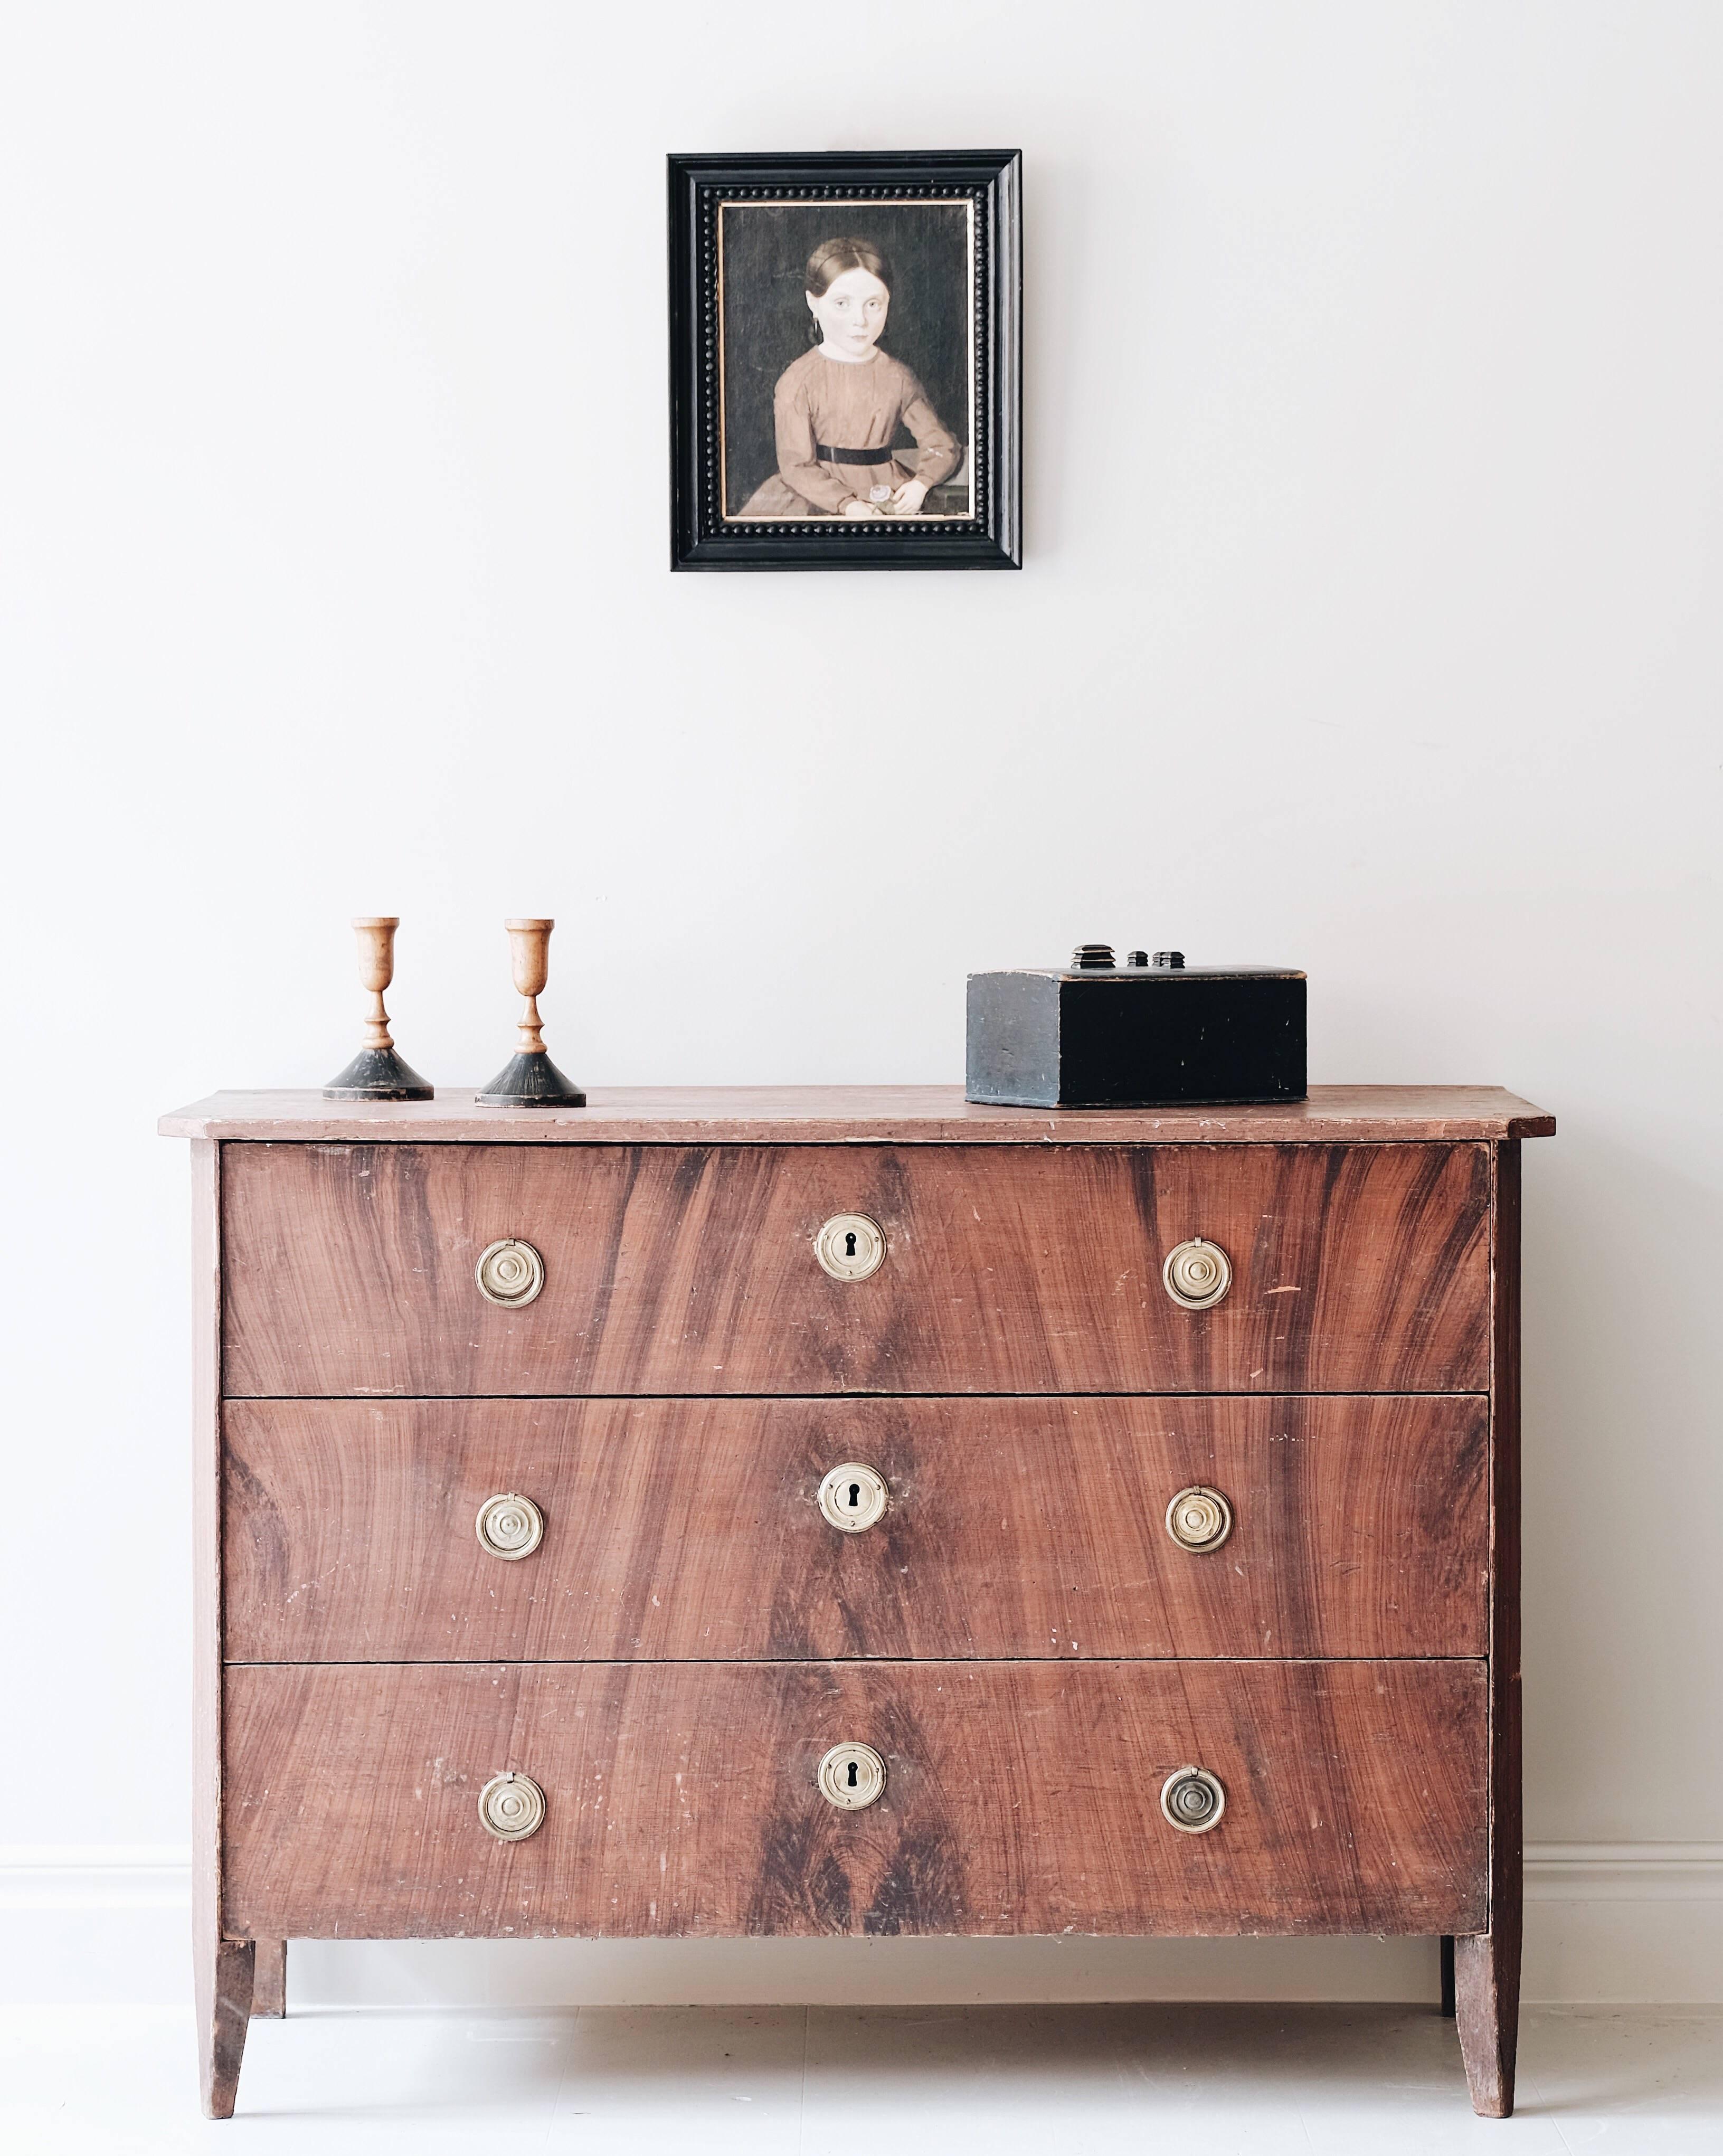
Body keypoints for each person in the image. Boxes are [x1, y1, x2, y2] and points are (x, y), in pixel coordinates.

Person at [736, 238, 961, 518]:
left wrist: (920, 484)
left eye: (873, 304)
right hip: (814, 497)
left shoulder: (898, 376)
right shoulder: (799, 379)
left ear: (889, 302)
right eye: (842, 303)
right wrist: (847, 504)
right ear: (813, 303)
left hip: (886, 492)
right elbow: (796, 465)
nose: (860, 320)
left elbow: (942, 445)